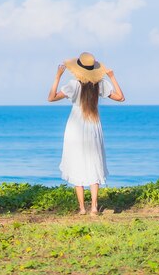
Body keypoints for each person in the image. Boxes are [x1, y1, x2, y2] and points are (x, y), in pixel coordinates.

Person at [47, 52, 125, 215]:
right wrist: (111, 77)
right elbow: (121, 98)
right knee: (94, 162)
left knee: (77, 162)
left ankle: (82, 208)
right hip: (93, 126)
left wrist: (57, 76)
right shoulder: (101, 84)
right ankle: (94, 207)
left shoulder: (73, 84)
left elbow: (51, 98)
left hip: (75, 127)